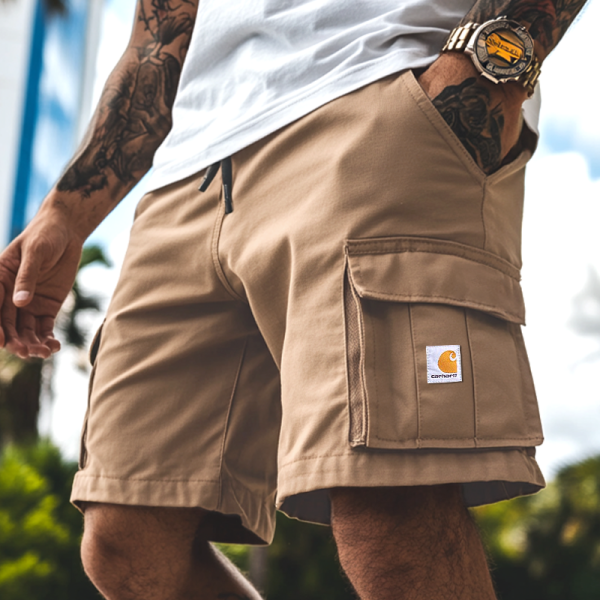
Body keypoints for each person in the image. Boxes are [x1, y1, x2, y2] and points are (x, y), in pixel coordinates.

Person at [0, 0, 588, 598]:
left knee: (389, 511)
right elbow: (159, 39)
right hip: (191, 166)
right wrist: (65, 213)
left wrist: (483, 73)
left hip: (373, 99)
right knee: (128, 540)